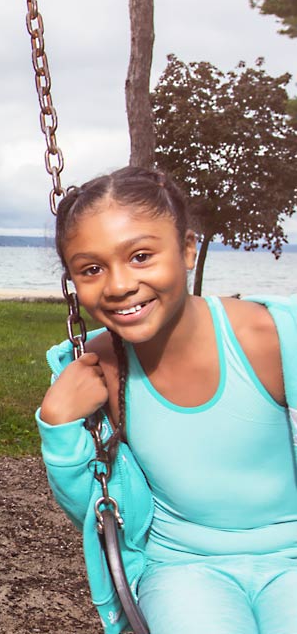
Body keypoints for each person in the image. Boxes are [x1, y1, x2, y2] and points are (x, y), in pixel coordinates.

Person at [38, 166, 297, 634]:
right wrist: (58, 429)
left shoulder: (269, 339)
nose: (118, 285)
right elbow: (101, 509)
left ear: (188, 249)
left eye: (140, 256)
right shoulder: (99, 367)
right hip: (183, 567)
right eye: (91, 269)